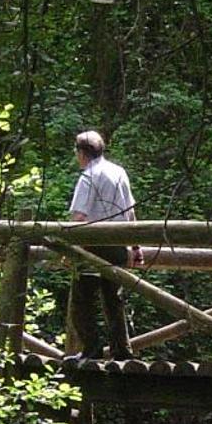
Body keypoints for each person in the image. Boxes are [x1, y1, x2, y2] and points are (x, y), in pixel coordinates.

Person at [65, 129, 140, 360]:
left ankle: (92, 349)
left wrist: (71, 250)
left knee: (82, 300)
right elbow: (131, 213)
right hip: (117, 245)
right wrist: (135, 248)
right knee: (113, 300)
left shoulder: (88, 176)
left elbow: (79, 218)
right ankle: (121, 352)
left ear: (82, 153)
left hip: (92, 247)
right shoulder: (119, 172)